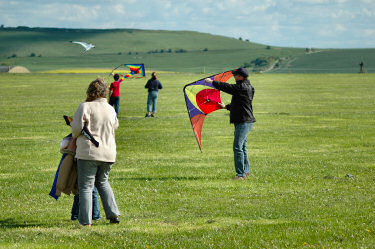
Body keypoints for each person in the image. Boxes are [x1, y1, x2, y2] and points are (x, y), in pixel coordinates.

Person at [71, 78, 120, 226]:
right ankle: (113, 214)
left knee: (86, 186)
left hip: (89, 152)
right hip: (109, 153)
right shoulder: (111, 109)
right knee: (103, 182)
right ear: (105, 92)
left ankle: (85, 221)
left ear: (90, 92)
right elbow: (115, 126)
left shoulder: (85, 106)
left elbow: (76, 129)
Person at [205, 68, 256, 180]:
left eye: (235, 75)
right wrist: (226, 107)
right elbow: (241, 103)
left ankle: (240, 175)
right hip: (243, 120)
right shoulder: (247, 87)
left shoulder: (242, 87)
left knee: (237, 147)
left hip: (244, 121)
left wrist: (212, 82)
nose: (234, 76)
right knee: (242, 147)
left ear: (241, 77)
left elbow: (228, 87)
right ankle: (245, 171)